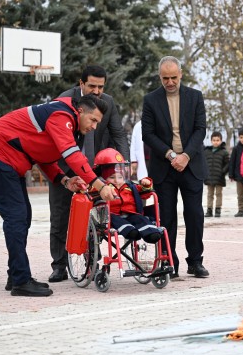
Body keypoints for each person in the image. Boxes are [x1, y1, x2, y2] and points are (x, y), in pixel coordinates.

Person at [0, 94, 117, 297]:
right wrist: (99, 184)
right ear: (81, 111)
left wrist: (65, 181)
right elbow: (72, 154)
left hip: (4, 158)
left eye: (98, 123)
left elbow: (44, 156)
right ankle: (20, 281)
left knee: (23, 216)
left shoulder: (64, 118)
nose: (94, 127)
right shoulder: (61, 115)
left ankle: (16, 275)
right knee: (16, 216)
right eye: (93, 120)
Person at [48, 65, 129, 283]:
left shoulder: (108, 103)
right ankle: (59, 266)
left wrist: (123, 167)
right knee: (60, 217)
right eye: (91, 85)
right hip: (65, 169)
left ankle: (92, 259)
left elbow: (118, 134)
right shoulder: (64, 101)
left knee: (98, 219)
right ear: (81, 83)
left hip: (95, 170)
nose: (96, 90)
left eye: (100, 86)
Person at [141, 56, 209, 278]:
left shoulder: (195, 97)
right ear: (159, 77)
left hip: (191, 166)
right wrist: (172, 155)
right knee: (166, 218)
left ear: (181, 74)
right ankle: (170, 263)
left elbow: (200, 130)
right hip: (164, 168)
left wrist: (186, 155)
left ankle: (195, 261)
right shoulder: (150, 100)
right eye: (165, 78)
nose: (169, 82)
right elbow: (147, 134)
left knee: (194, 216)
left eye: (173, 77)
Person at [93, 148, 163, 243]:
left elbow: (145, 193)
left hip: (130, 213)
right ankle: (130, 231)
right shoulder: (102, 188)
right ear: (104, 178)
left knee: (140, 218)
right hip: (111, 215)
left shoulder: (129, 186)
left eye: (120, 177)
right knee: (115, 219)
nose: (117, 181)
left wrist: (146, 184)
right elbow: (91, 193)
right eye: (112, 177)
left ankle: (151, 233)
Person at [204, 131, 229, 217]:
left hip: (219, 177)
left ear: (221, 141)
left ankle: (218, 210)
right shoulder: (206, 151)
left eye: (218, 140)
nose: (216, 142)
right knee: (210, 194)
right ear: (211, 141)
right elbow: (203, 163)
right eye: (214, 140)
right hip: (209, 177)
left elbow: (228, 164)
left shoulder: (224, 152)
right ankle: (209, 210)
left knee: (219, 194)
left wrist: (223, 172)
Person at [229, 128, 243, 217]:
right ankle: (240, 210)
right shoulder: (236, 148)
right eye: (241, 137)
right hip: (238, 176)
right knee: (240, 194)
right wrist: (231, 174)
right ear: (239, 138)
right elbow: (232, 162)